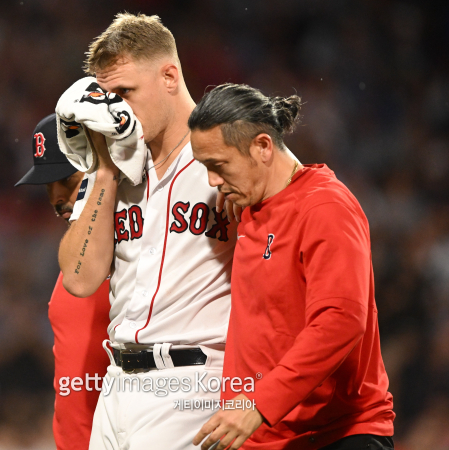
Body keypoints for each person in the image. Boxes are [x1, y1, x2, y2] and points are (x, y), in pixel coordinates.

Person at [57, 13, 237, 450]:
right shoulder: (116, 170)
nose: (116, 109)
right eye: (108, 96)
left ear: (170, 76)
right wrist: (103, 170)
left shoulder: (229, 153)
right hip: (116, 383)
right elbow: (80, 279)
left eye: (125, 93)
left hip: (194, 380)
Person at [188, 83, 395, 450]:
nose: (212, 182)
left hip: (333, 435)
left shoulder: (325, 207)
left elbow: (341, 319)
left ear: (263, 147)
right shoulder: (251, 203)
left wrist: (260, 402)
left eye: (218, 166)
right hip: (262, 436)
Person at [15, 113, 111, 450]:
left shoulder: (142, 252)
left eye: (67, 179)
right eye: (47, 183)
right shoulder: (74, 259)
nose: (56, 197)